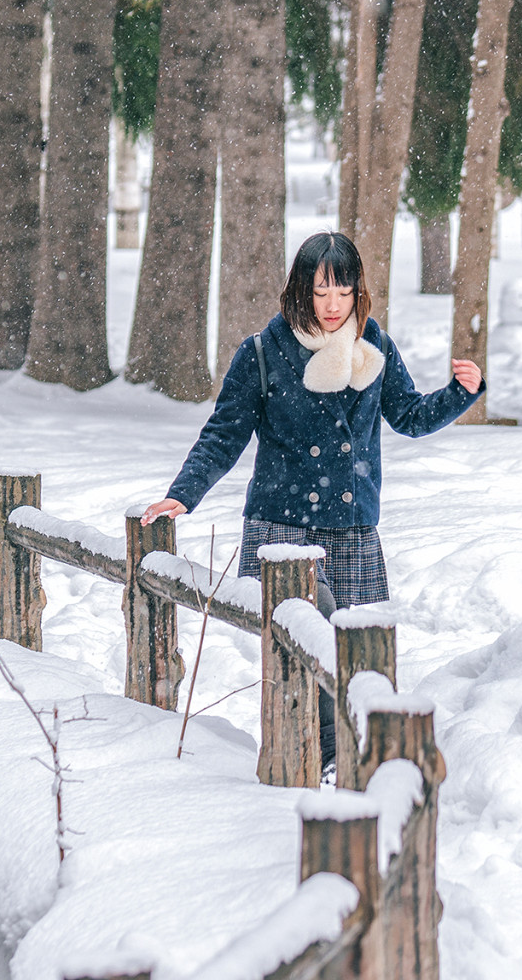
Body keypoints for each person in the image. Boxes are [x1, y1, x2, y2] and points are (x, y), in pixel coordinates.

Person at [142, 232, 484, 764]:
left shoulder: (375, 348)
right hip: (284, 532)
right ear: (299, 289)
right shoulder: (263, 352)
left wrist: (460, 393)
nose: (331, 306)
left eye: (343, 293)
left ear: (357, 293)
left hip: (350, 529)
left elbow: (410, 417)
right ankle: (324, 759)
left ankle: (354, 756)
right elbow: (225, 433)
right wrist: (183, 495)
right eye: (320, 291)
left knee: (355, 653)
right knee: (308, 644)